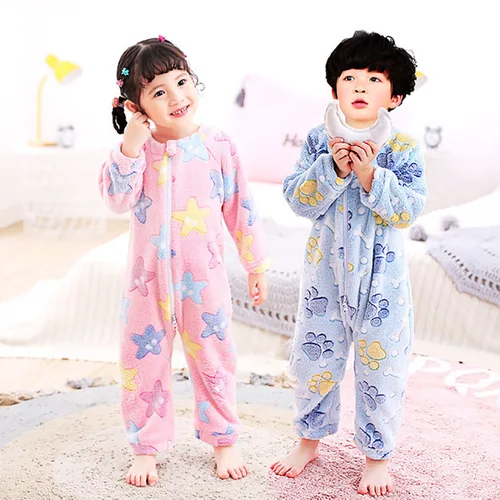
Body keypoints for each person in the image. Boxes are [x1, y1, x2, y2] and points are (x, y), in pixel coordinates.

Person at [99, 36, 269, 487]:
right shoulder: (133, 153)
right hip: (145, 286)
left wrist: (255, 264)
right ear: (135, 107)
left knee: (215, 357)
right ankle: (145, 445)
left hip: (204, 280)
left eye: (181, 81)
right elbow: (116, 200)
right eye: (158, 91)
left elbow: (242, 209)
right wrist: (130, 145)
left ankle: (223, 437)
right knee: (141, 362)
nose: (176, 96)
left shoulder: (218, 144)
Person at [271, 31, 427, 497]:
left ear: (395, 97)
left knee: (382, 367)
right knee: (314, 357)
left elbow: (407, 211)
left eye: (374, 79)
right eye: (350, 77)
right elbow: (298, 200)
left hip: (383, 282)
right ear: (334, 89)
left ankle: (377, 456)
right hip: (326, 277)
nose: (360, 86)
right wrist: (334, 170)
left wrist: (369, 174)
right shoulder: (319, 140)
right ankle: (308, 440)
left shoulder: (403, 147)